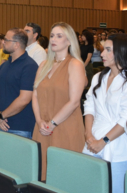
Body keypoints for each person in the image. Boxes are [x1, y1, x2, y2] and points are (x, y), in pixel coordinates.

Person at [32, 22, 87, 181]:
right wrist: (39, 120)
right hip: (42, 126)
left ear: (69, 41)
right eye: (52, 36)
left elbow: (74, 101)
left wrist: (53, 124)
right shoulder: (43, 64)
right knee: (42, 175)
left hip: (65, 126)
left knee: (65, 176)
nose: (53, 39)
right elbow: (35, 94)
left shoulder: (75, 64)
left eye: (59, 36)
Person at [83, 33, 127, 193]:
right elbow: (89, 105)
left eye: (108, 50)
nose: (102, 54)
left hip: (119, 146)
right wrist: (88, 135)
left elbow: (126, 118)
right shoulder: (99, 77)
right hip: (93, 142)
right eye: (103, 49)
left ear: (122, 52)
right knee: (91, 188)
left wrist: (103, 141)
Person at [0, 28, 38, 139]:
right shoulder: (4, 65)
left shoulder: (29, 66)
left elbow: (24, 99)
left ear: (16, 45)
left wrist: (2, 115)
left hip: (20, 126)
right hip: (3, 123)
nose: (3, 42)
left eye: (6, 40)